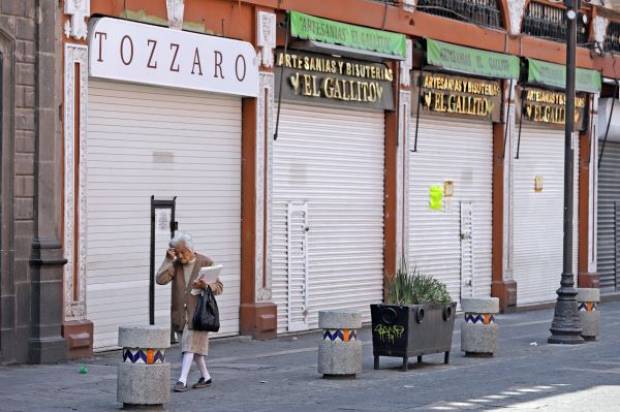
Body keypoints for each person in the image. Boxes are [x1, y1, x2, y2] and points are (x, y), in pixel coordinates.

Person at [156, 232, 223, 392]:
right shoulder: (176, 264)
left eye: (181, 252)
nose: (179, 255)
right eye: (176, 252)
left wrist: (205, 286)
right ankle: (206, 377)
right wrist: (167, 260)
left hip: (199, 314)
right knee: (194, 349)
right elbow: (160, 280)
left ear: (189, 249)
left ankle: (182, 380)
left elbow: (219, 288)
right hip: (180, 315)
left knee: (189, 347)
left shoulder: (206, 262)